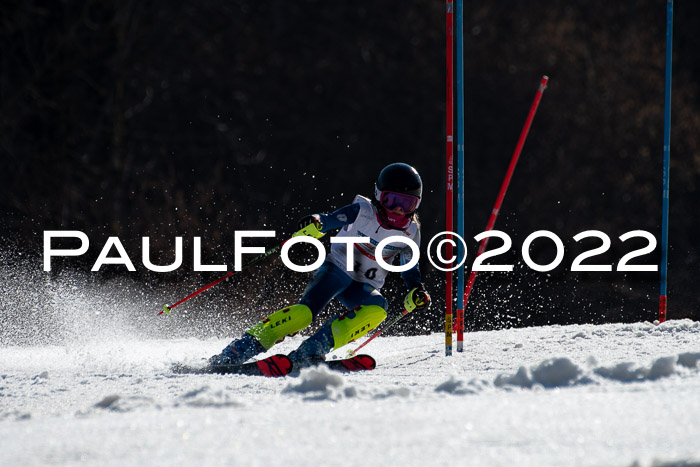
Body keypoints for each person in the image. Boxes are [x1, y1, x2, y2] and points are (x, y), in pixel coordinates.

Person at [209, 162, 431, 369]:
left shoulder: (411, 233)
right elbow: (331, 219)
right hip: (336, 271)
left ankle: (313, 349)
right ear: (378, 195)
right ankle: (240, 349)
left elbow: (409, 267)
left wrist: (416, 288)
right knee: (303, 314)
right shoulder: (363, 211)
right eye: (392, 201)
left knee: (378, 308)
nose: (398, 211)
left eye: (407, 203)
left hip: (363, 285)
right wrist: (317, 222)